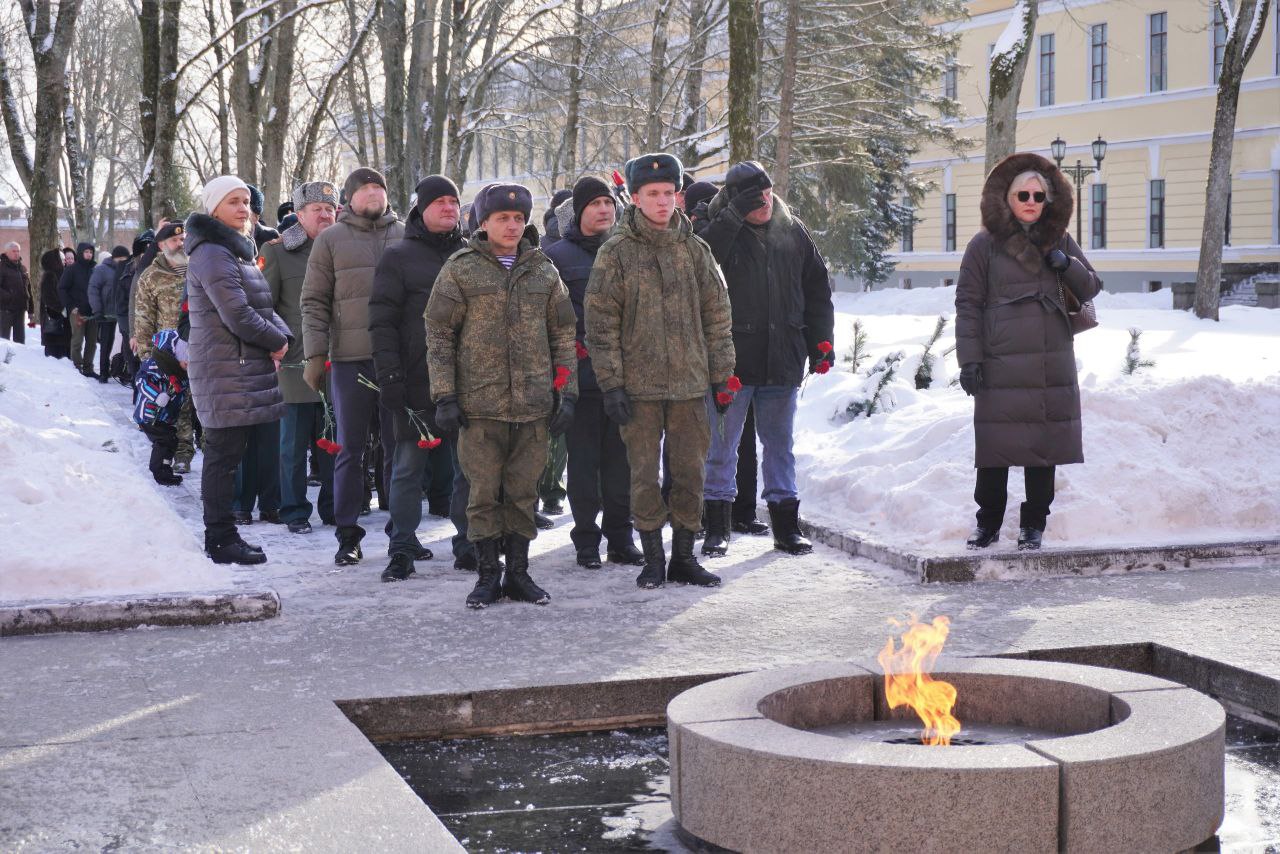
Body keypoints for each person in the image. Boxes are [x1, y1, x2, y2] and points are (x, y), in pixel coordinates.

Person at [584, 153, 734, 590]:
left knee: (690, 472)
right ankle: (653, 557)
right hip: (639, 388)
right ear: (635, 197)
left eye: (669, 193)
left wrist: (721, 375)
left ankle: (684, 556)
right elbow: (600, 322)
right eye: (653, 194)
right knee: (644, 475)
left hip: (689, 384)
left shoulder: (694, 249)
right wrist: (611, 383)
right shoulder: (617, 252)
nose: (663, 201)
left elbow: (717, 314)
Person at [426, 182, 578, 609]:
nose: (511, 226)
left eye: (517, 218)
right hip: (480, 406)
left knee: (523, 492)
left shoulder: (544, 271)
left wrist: (566, 393)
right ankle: (488, 574)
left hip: (532, 407)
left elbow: (564, 336)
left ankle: (520, 573)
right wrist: (445, 395)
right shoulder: (460, 269)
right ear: (483, 223)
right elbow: (439, 336)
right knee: (483, 494)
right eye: (501, 219)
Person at [955, 152, 1102, 551]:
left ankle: (1034, 523)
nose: (1032, 202)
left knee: (1043, 446)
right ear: (1007, 197)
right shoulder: (982, 246)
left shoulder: (1060, 239)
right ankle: (987, 523)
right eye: (1024, 194)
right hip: (1000, 361)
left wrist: (1066, 263)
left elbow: (1090, 287)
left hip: (1048, 361)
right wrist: (969, 360)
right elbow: (968, 304)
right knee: (994, 447)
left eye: (1039, 196)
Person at [698, 161, 834, 557]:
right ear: (734, 199)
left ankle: (786, 527)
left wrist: (821, 342)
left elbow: (817, 290)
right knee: (721, 447)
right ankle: (717, 528)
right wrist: (732, 218)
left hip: (783, 358)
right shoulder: (716, 230)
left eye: (768, 193)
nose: (763, 202)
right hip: (731, 363)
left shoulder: (792, 230)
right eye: (752, 197)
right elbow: (704, 262)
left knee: (780, 445)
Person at [185, 175, 292, 565]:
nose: (243, 208)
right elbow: (238, 314)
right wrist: (277, 342)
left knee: (228, 456)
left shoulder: (236, 251)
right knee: (222, 458)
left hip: (239, 367)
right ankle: (220, 539)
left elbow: (263, 307)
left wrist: (284, 337)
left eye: (246, 201)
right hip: (224, 369)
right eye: (233, 202)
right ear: (213, 208)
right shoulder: (213, 252)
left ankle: (225, 536)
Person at [301, 167, 403, 566]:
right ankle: (348, 535)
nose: (374, 194)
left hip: (396, 360)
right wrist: (314, 356)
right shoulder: (330, 240)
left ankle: (402, 532)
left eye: (380, 187)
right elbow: (313, 302)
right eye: (366, 189)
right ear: (349, 198)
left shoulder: (404, 235)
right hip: (349, 360)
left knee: (400, 449)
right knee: (350, 449)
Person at [545, 176, 645, 571]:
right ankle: (586, 539)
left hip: (626, 378)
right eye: (595, 204)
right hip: (581, 380)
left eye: (608, 202)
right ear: (580, 211)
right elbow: (552, 321)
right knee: (584, 466)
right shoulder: (556, 256)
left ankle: (620, 537)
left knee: (621, 465)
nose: (604, 209)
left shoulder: (629, 252)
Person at [370, 175, 467, 582]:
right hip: (414, 379)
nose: (448, 208)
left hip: (468, 382)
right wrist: (389, 375)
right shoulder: (398, 257)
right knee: (408, 468)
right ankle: (403, 544)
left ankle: (469, 541)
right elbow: (381, 320)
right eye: (439, 202)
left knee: (469, 468)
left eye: (454, 201)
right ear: (420, 209)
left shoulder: (469, 255)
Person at [263, 180, 339, 534]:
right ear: (299, 213)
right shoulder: (277, 252)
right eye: (316, 209)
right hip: (294, 362)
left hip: (337, 361)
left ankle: (334, 507)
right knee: (292, 445)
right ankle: (293, 510)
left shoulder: (344, 248)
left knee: (333, 441)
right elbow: (264, 306)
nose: (324, 214)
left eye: (329, 208)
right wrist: (277, 345)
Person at [133, 222, 197, 472]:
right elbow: (143, 318)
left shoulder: (196, 269)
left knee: (202, 404)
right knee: (178, 405)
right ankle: (182, 454)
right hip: (168, 353)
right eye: (174, 241)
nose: (180, 244)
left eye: (183, 240)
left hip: (201, 345)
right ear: (161, 245)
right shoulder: (151, 276)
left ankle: (210, 451)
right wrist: (149, 357)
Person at [133, 328, 190, 486]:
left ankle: (165, 469)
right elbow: (141, 381)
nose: (187, 363)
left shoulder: (181, 373)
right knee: (164, 440)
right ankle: (158, 470)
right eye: (184, 359)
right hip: (150, 415)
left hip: (165, 416)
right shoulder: (155, 365)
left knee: (171, 440)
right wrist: (157, 395)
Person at [88, 245, 131, 383]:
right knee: (106, 343)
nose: (123, 261)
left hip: (124, 312)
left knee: (126, 343)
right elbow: (93, 290)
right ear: (115, 258)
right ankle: (104, 372)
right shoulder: (101, 270)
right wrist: (97, 310)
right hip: (107, 313)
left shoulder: (129, 269)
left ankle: (124, 371)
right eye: (121, 259)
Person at [59, 242, 98, 377]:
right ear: (81, 253)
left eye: (91, 252)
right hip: (77, 311)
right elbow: (62, 288)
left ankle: (88, 368)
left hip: (93, 311)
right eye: (86, 252)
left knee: (92, 342)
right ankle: (76, 367)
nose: (89, 254)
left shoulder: (95, 268)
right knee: (77, 340)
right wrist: (71, 306)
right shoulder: (72, 269)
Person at [37, 249, 70, 359]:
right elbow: (48, 297)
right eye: (61, 259)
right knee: (54, 353)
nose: (64, 261)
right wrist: (62, 308)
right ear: (54, 261)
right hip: (53, 317)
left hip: (61, 318)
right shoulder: (50, 275)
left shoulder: (61, 274)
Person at [0, 242, 34, 343]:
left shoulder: (23, 269)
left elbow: (28, 289)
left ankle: (19, 359)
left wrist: (31, 310)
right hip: (5, 310)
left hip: (20, 309)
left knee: (20, 341)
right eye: (13, 251)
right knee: (4, 340)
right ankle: (3, 359)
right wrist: (9, 296)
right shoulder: (1, 268)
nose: (16, 253)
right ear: (6, 253)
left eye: (18, 251)